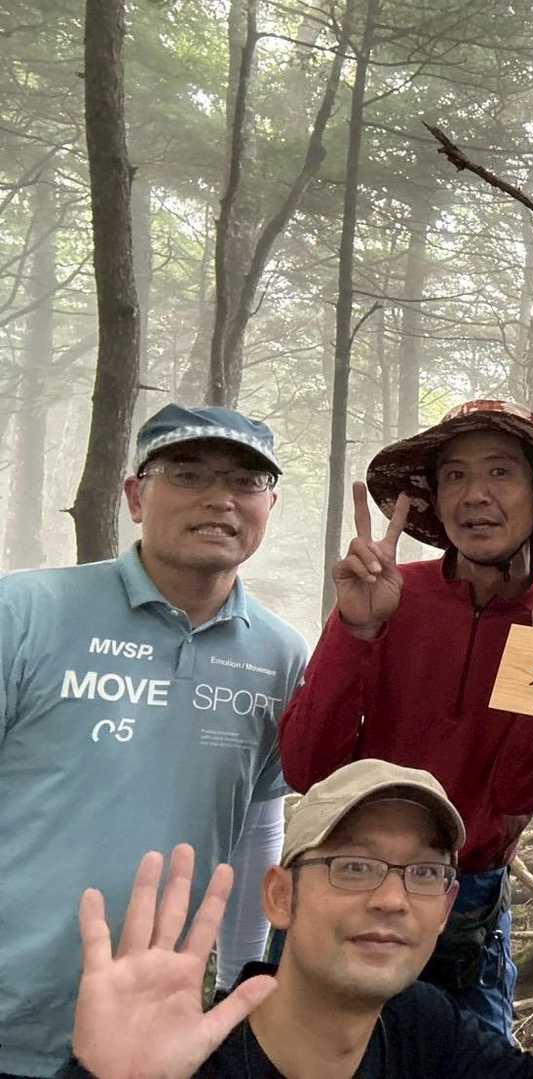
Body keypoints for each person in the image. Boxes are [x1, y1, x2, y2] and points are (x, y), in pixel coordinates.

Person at [279, 400, 533, 1039]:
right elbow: (306, 766)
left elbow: (516, 794)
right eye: (455, 475)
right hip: (345, 879)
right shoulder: (389, 592)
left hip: (467, 899)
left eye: (500, 472)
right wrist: (356, 628)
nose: (475, 494)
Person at [0, 404, 308, 1078]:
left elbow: (256, 824)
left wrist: (236, 983)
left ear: (270, 506)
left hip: (148, 1034)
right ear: (136, 496)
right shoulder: (22, 612)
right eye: (189, 474)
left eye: (246, 482)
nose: (220, 499)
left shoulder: (281, 656)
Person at [55, 758, 533, 1078]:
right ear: (281, 896)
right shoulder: (191, 1059)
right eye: (354, 866)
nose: (392, 899)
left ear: (446, 908)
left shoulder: (420, 1030)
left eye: (423, 872)